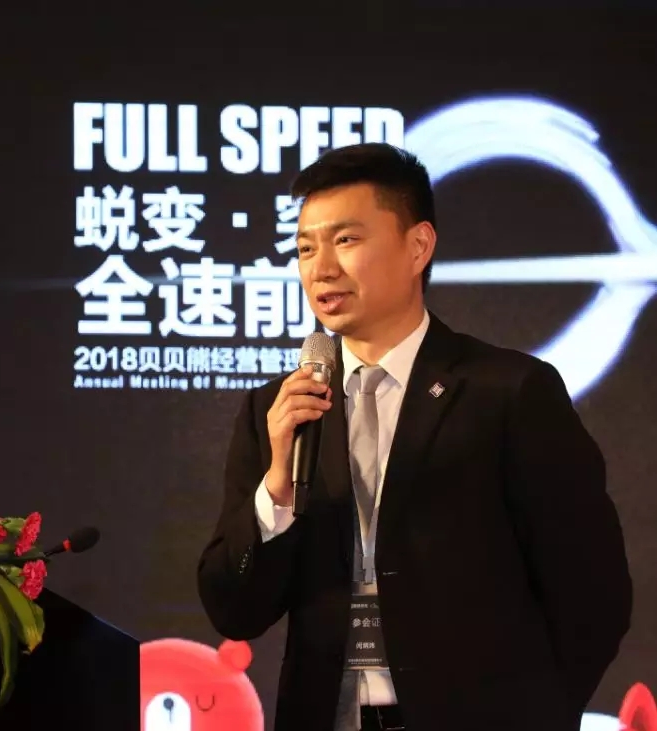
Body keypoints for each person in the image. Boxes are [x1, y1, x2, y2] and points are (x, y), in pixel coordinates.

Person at [196, 143, 632, 731]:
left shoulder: (508, 392)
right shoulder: (278, 411)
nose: (321, 268)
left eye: (346, 240)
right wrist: (276, 488)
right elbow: (233, 610)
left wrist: (535, 714)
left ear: (418, 246)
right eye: (305, 248)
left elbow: (593, 590)